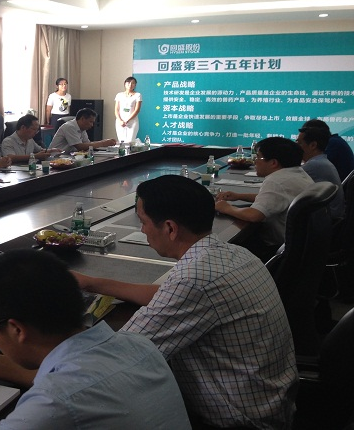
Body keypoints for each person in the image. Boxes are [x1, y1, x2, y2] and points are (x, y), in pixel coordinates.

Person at [73, 175, 297, 429]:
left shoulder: (195, 279)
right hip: (270, 403)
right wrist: (91, 283)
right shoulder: (231, 254)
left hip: (239, 421)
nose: (143, 230)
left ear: (170, 228)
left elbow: (119, 357)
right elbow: (164, 295)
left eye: (144, 222)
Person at [0, 250, 191, 430]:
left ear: (16, 329)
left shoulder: (52, 404)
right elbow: (70, 374)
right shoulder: (137, 345)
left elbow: (64, 389)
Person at [215, 136, 314, 258]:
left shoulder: (277, 181)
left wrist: (226, 208)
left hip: (277, 251)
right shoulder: (297, 172)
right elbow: (276, 199)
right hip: (302, 246)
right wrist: (239, 196)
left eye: (258, 157)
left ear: (273, 163)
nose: (254, 161)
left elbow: (254, 215)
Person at [296, 126, 345, 219]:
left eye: (299, 143)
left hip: (328, 219)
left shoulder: (314, 165)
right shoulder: (321, 161)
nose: (296, 146)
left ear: (313, 145)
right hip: (331, 216)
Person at [48, 108, 116, 153]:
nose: (92, 125)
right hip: (56, 157)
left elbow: (87, 145)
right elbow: (80, 147)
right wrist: (103, 143)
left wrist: (105, 142)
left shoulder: (82, 129)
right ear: (83, 119)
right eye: (90, 122)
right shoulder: (70, 127)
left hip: (68, 156)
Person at [114, 76, 142, 143]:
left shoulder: (138, 95)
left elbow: (137, 110)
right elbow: (116, 109)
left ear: (135, 85)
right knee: (122, 142)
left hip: (132, 121)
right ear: (125, 84)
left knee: (130, 141)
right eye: (128, 83)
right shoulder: (119, 95)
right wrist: (120, 120)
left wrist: (127, 120)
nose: (130, 85)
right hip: (120, 122)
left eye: (133, 83)